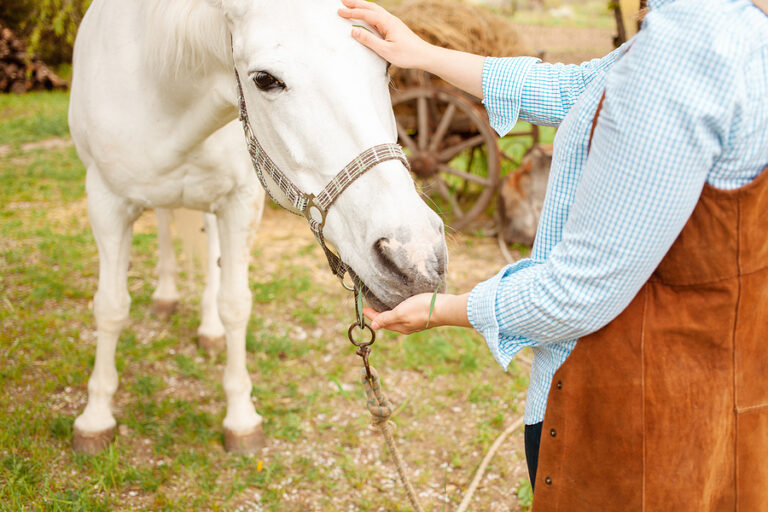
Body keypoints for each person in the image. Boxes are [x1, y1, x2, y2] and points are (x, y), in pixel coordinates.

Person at [339, 0, 768, 510]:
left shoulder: (681, 53)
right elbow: (576, 89)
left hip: (623, 413)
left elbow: (577, 291)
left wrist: (442, 309)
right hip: (716, 383)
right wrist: (424, 53)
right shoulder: (737, 26)